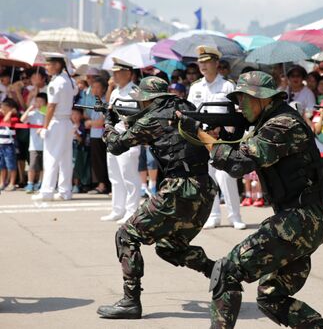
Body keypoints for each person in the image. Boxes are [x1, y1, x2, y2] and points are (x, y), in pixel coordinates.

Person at [182, 71, 323, 328]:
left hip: (299, 220)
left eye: (244, 98)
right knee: (271, 297)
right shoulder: (268, 123)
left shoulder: (282, 124)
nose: (239, 105)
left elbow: (238, 163)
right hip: (299, 221)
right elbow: (239, 150)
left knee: (226, 271)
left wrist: (201, 134)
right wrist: (223, 135)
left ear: (263, 99)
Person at [96, 76, 218, 319]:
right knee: (170, 247)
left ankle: (130, 301)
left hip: (179, 189)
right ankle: (220, 271)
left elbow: (116, 145)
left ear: (150, 100)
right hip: (204, 188)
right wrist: (128, 117)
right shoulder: (186, 107)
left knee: (126, 235)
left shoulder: (153, 118)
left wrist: (109, 121)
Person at [187, 45, 246, 230]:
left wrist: (222, 128)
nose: (203, 65)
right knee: (208, 179)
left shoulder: (227, 85)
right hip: (203, 138)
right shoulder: (196, 87)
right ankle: (213, 215)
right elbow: (191, 112)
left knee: (227, 177)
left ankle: (235, 216)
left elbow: (236, 113)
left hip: (223, 138)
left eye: (206, 61)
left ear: (216, 63)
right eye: (200, 62)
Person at [100, 58, 141, 224]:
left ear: (128, 73)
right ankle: (118, 209)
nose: (114, 75)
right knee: (115, 176)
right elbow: (111, 114)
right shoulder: (116, 92)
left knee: (129, 176)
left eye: (118, 72)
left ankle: (131, 211)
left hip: (129, 137)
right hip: (115, 136)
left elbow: (142, 115)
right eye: (113, 72)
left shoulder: (136, 92)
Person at [32, 52, 77, 201]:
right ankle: (65, 191)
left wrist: (45, 127)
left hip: (57, 121)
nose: (46, 67)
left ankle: (46, 191)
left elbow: (51, 106)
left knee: (50, 157)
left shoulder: (56, 82)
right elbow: (75, 90)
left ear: (57, 65)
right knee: (65, 158)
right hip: (66, 121)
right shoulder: (69, 81)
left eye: (49, 64)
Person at [86, 78, 110, 195]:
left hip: (102, 135)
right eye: (93, 87)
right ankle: (101, 183)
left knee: (101, 161)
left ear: (104, 89)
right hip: (94, 134)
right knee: (97, 161)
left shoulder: (105, 102)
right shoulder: (94, 101)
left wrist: (90, 123)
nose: (94, 89)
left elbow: (101, 122)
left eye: (97, 87)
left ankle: (103, 185)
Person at [20, 92, 46, 193]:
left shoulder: (46, 112)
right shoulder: (33, 113)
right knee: (32, 165)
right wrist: (29, 109)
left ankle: (40, 183)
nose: (38, 103)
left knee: (44, 166)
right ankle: (30, 183)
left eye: (41, 101)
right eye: (37, 101)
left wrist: (43, 109)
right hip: (34, 144)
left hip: (45, 144)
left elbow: (49, 116)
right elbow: (22, 120)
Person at [0, 99, 18, 191]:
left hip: (9, 145)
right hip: (1, 145)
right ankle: (2, 182)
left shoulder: (13, 117)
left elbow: (7, 121)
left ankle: (12, 183)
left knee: (11, 165)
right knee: (1, 165)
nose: (1, 110)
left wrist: (10, 112)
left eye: (3, 108)